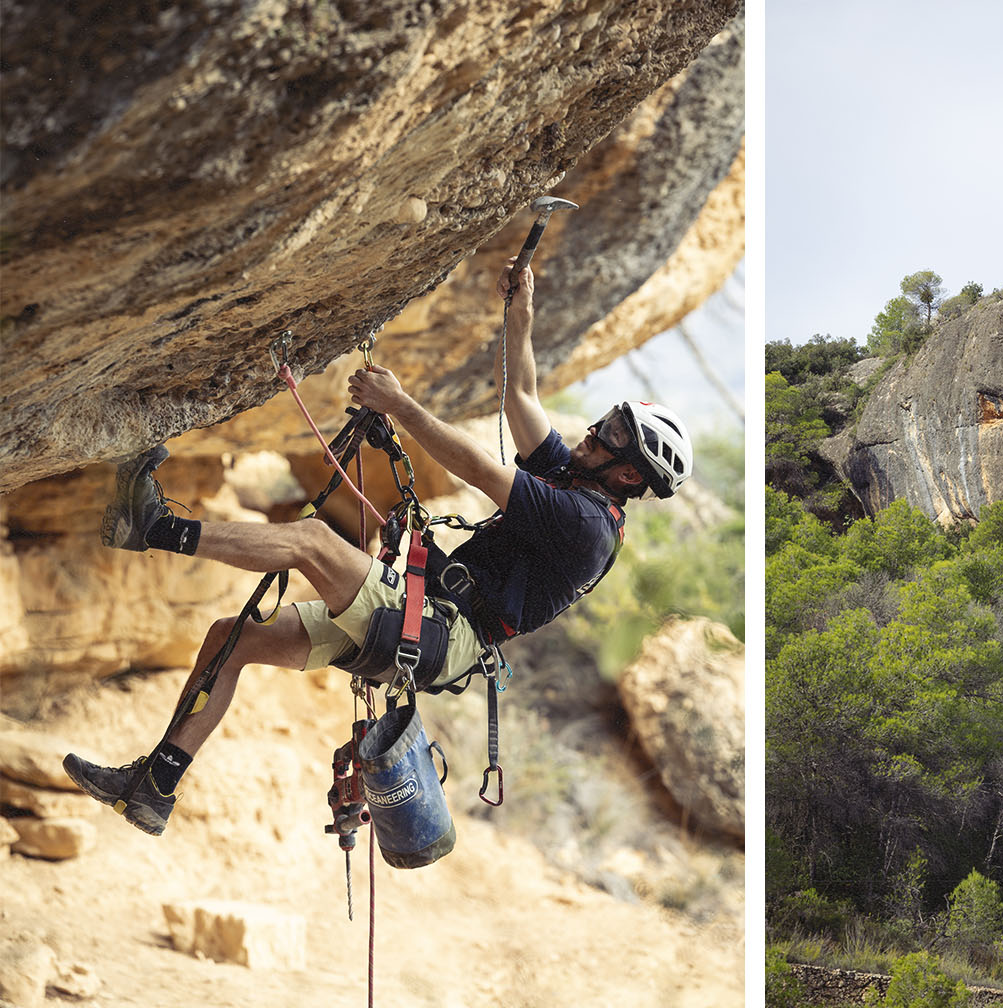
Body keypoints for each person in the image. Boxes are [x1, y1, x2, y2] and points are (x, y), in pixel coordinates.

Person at [63, 261, 693, 835]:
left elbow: (481, 470)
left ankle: (152, 527)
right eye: (607, 419)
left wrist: (399, 405)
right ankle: (155, 787)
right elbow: (522, 398)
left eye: (613, 433)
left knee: (313, 541)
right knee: (232, 638)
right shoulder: (573, 479)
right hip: (428, 621)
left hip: (441, 635)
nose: (594, 430)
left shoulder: (586, 524)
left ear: (628, 473)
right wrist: (521, 313)